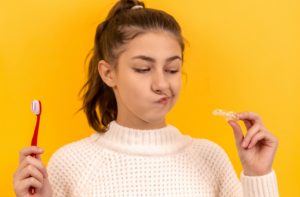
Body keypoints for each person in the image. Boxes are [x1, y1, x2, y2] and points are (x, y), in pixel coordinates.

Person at [13, 0, 280, 196]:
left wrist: (258, 175)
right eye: (143, 69)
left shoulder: (210, 158)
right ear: (108, 73)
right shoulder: (71, 164)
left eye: (172, 69)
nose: (162, 84)